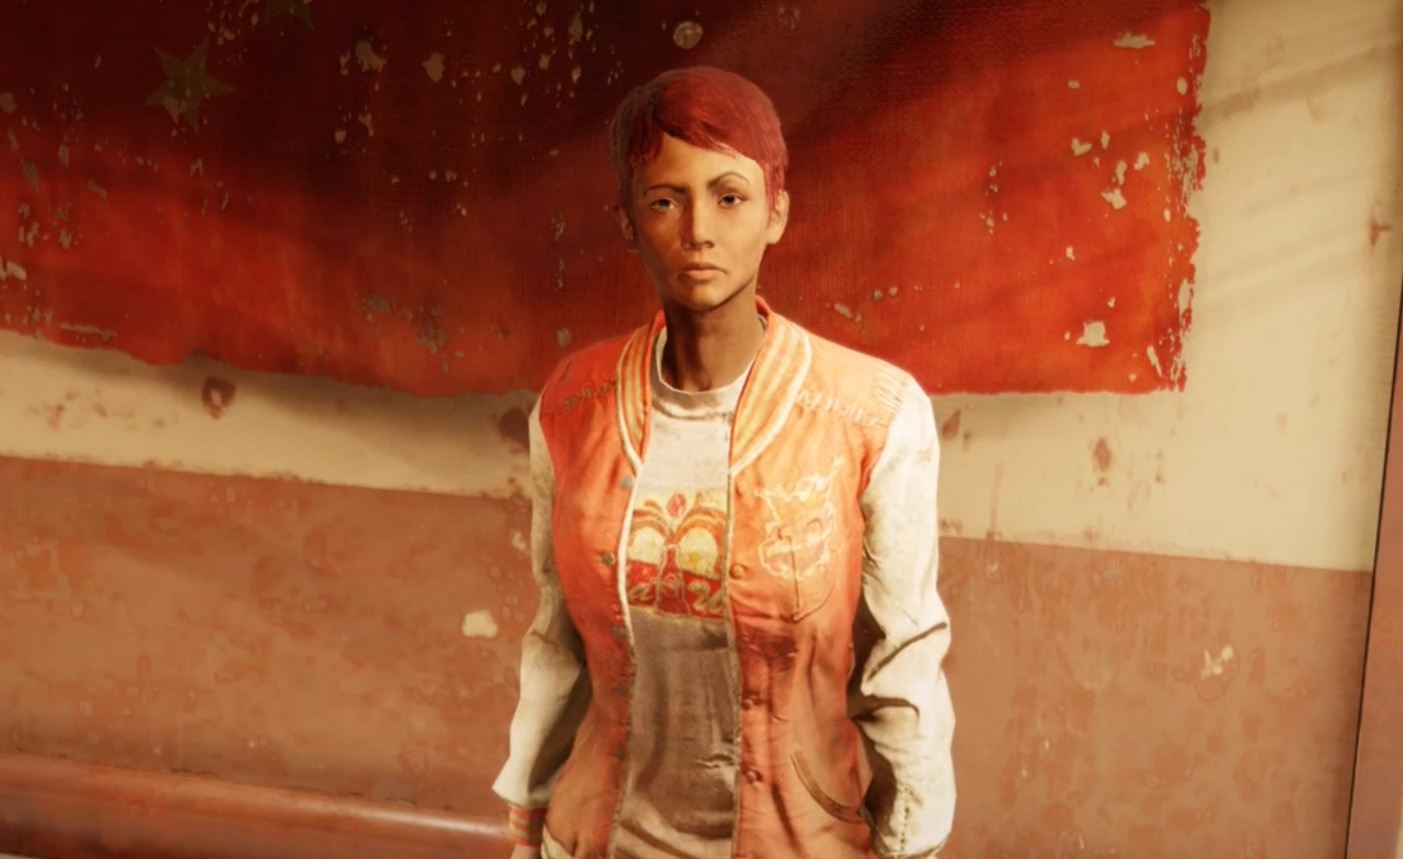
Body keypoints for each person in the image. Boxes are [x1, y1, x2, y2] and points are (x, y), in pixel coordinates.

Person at [492, 65, 955, 859]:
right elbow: (556, 641)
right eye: (664, 200)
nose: (698, 229)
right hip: (597, 838)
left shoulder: (871, 414)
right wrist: (527, 820)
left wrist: (912, 841)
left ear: (776, 212)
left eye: (729, 196)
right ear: (627, 223)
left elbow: (901, 661)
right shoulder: (572, 405)